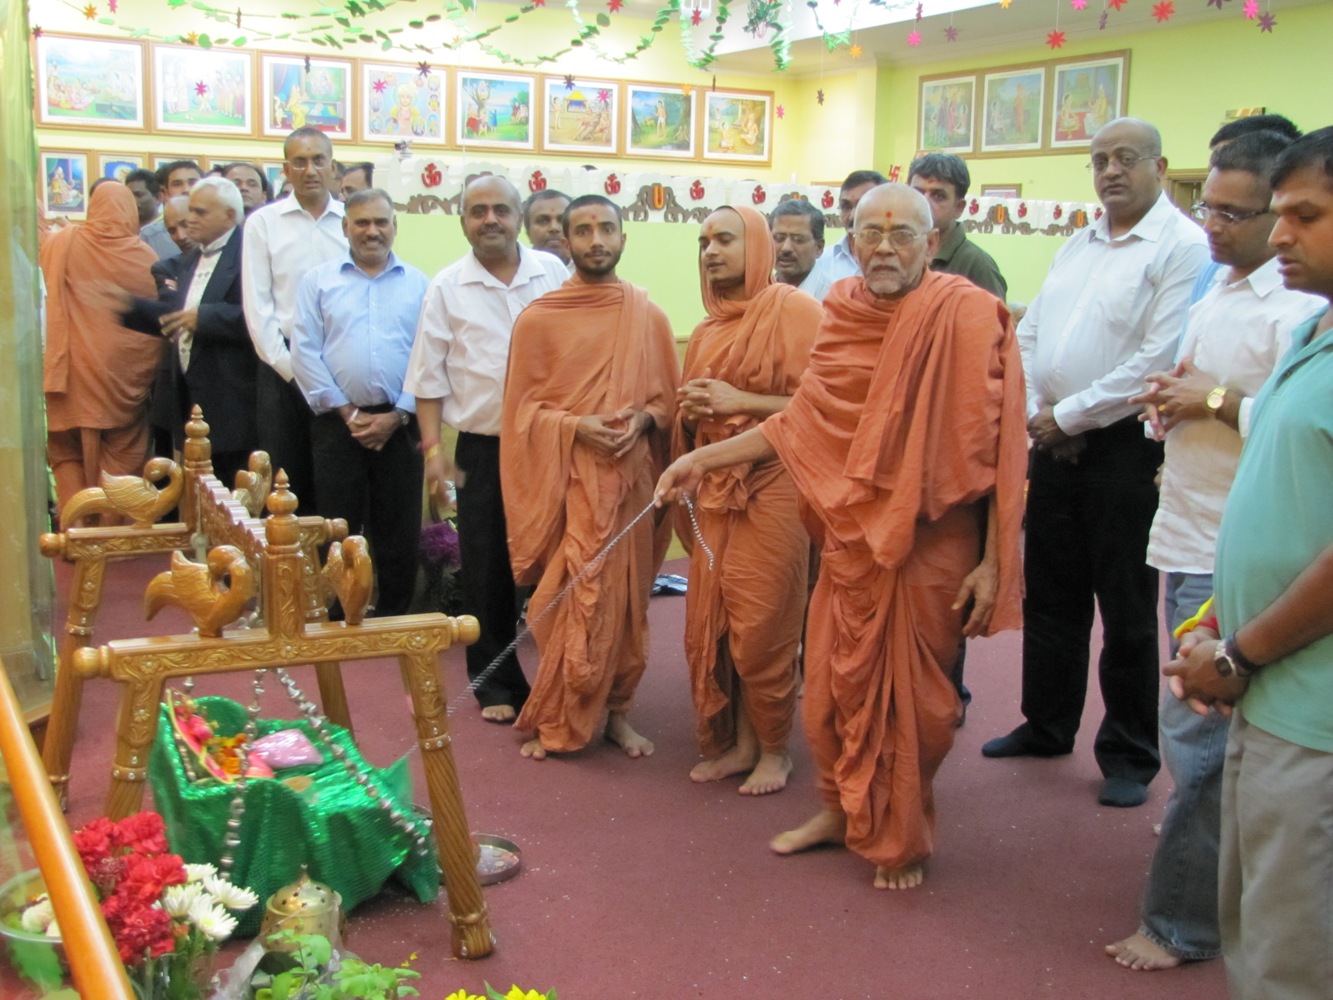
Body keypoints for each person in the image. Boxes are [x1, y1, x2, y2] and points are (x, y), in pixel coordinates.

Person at [656, 183, 1027, 888]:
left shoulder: (969, 315)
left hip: (933, 541)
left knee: (921, 706)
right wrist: (699, 458)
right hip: (853, 537)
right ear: (849, 242)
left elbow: (990, 452)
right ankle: (836, 808)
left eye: (902, 233)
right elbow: (801, 423)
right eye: (869, 232)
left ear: (932, 241)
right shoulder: (844, 313)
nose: (884, 247)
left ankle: (900, 834)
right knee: (828, 689)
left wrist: (990, 561)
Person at [1104, 130, 1323, 973]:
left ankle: (1179, 923)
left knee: (1202, 745)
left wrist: (1216, 397)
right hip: (1195, 538)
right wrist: (1178, 404)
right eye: (1212, 208)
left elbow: (1269, 419)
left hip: (1253, 578)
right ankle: (1211, 899)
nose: (1220, 227)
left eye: (1243, 212)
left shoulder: (1298, 307)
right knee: (1207, 752)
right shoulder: (1224, 291)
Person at [983, 118, 1210, 808]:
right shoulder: (1078, 241)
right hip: (1053, 438)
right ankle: (1045, 723)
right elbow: (1031, 331)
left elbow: (1156, 356)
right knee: (1050, 594)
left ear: (1159, 166)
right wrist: (1042, 412)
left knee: (1126, 606)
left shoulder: (1181, 247)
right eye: (1098, 160)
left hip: (1123, 445)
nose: (1109, 171)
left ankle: (1127, 754)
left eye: (1123, 159)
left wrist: (1070, 414)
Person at [1162, 126, 1333, 1000]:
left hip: (1310, 707)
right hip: (1263, 680)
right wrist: (1219, 621)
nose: (1278, 236)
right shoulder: (1320, 332)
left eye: (1304, 216)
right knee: (1255, 926)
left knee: (1292, 949)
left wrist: (1242, 651)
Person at [502, 195, 679, 759]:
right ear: (564, 240)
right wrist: (576, 426)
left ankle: (618, 714)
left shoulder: (647, 315)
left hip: (629, 484)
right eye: (583, 230)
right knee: (557, 601)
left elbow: (667, 404)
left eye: (607, 229)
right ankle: (562, 712)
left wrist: (644, 421)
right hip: (567, 484)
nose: (596, 240)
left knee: (625, 608)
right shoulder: (539, 319)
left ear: (624, 239)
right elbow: (522, 415)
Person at [406, 175, 569, 722]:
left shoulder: (554, 273)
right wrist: (434, 454)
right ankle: (495, 684)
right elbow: (427, 382)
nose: (490, 219)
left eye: (501, 209)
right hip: (483, 448)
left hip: (555, 445)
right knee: (487, 568)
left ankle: (567, 677)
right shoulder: (446, 287)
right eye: (478, 211)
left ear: (520, 216)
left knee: (558, 564)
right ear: (463, 221)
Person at [673, 205, 821, 795]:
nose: (711, 251)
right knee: (720, 622)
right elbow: (696, 413)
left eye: (725, 240)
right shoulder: (707, 330)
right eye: (704, 241)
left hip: (776, 481)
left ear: (756, 246)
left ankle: (777, 751)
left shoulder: (797, 310)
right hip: (715, 485)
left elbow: (824, 408)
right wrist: (695, 413)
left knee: (764, 624)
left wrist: (740, 400)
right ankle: (740, 743)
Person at [290, 188, 428, 618]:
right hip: (337, 423)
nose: (372, 231)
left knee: (399, 526)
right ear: (345, 226)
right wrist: (348, 412)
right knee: (338, 524)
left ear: (394, 226)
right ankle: (339, 613)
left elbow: (430, 354)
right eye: (362, 223)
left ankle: (394, 617)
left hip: (402, 422)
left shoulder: (420, 284)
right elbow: (304, 351)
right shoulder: (318, 281)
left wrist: (399, 413)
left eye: (381, 222)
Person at [908, 152, 1008, 722]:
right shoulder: (897, 260)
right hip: (902, 456)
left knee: (943, 596)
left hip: (949, 461)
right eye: (919, 191)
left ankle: (946, 697)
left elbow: (981, 381)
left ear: (960, 205)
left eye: (939, 195)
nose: (928, 203)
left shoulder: (974, 267)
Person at [119, 177, 258, 488]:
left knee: (236, 504)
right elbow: (177, 319)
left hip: (233, 404)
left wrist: (207, 318)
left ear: (229, 216)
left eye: (200, 212)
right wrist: (125, 307)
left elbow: (262, 317)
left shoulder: (249, 255)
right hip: (190, 404)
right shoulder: (189, 260)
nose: (191, 219)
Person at [242, 127, 349, 513]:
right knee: (288, 484)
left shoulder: (351, 221)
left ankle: (338, 568)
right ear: (286, 169)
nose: (310, 170)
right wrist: (296, 372)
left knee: (337, 482)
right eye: (299, 162)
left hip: (342, 366)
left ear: (333, 166)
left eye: (318, 160)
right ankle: (293, 572)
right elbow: (258, 309)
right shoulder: (263, 223)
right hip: (283, 371)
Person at [41, 183, 160, 517]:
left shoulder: (63, 242)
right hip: (120, 383)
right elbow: (154, 327)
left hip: (67, 377)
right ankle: (111, 531)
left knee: (65, 454)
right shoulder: (145, 257)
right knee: (125, 451)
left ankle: (74, 528)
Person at [908, 153, 1007, 300]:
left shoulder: (977, 265)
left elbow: (992, 322)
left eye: (938, 196)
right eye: (917, 193)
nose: (924, 203)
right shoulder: (901, 251)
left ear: (959, 208)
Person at [820, 170, 888, 284]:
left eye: (863, 205)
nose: (852, 216)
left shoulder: (895, 261)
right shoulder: (822, 261)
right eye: (846, 206)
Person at [769, 199, 830, 300]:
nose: (786, 248)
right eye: (779, 238)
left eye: (798, 240)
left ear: (819, 247)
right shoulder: (758, 293)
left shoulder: (836, 299)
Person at [126, 169, 176, 260]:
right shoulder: (123, 230)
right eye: (128, 196)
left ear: (158, 198)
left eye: (138, 195)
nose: (132, 201)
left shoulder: (170, 231)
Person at [522, 189, 572, 268]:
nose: (554, 228)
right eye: (543, 221)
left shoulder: (592, 271)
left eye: (562, 220)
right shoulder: (514, 272)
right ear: (528, 232)